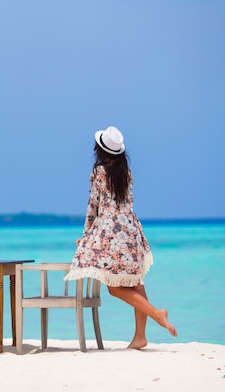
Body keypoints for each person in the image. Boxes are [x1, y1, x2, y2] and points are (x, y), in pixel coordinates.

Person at [64, 125, 177, 349]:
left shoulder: (98, 172)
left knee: (114, 287)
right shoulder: (127, 173)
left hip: (111, 232)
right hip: (131, 231)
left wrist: (87, 236)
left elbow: (93, 206)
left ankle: (157, 314)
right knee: (135, 282)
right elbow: (125, 206)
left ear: (100, 149)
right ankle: (140, 337)